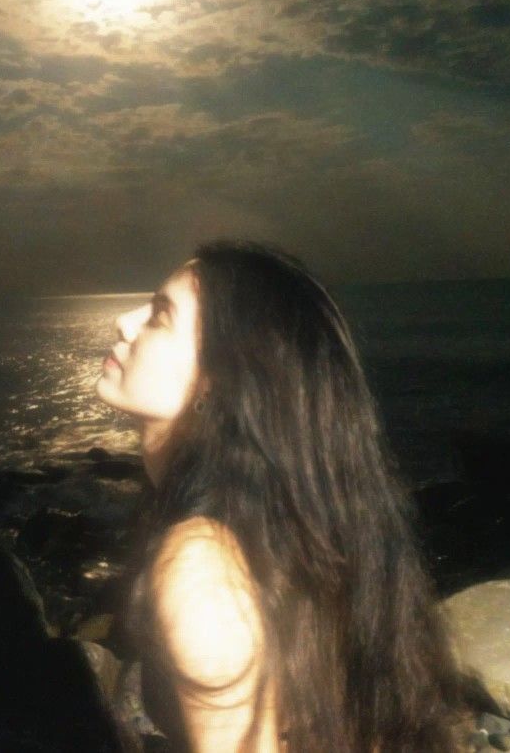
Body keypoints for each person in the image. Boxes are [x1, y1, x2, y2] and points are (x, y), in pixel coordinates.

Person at [96, 241, 458, 753]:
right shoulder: (284, 531)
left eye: (160, 315)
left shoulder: (202, 564)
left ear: (218, 384)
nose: (124, 322)